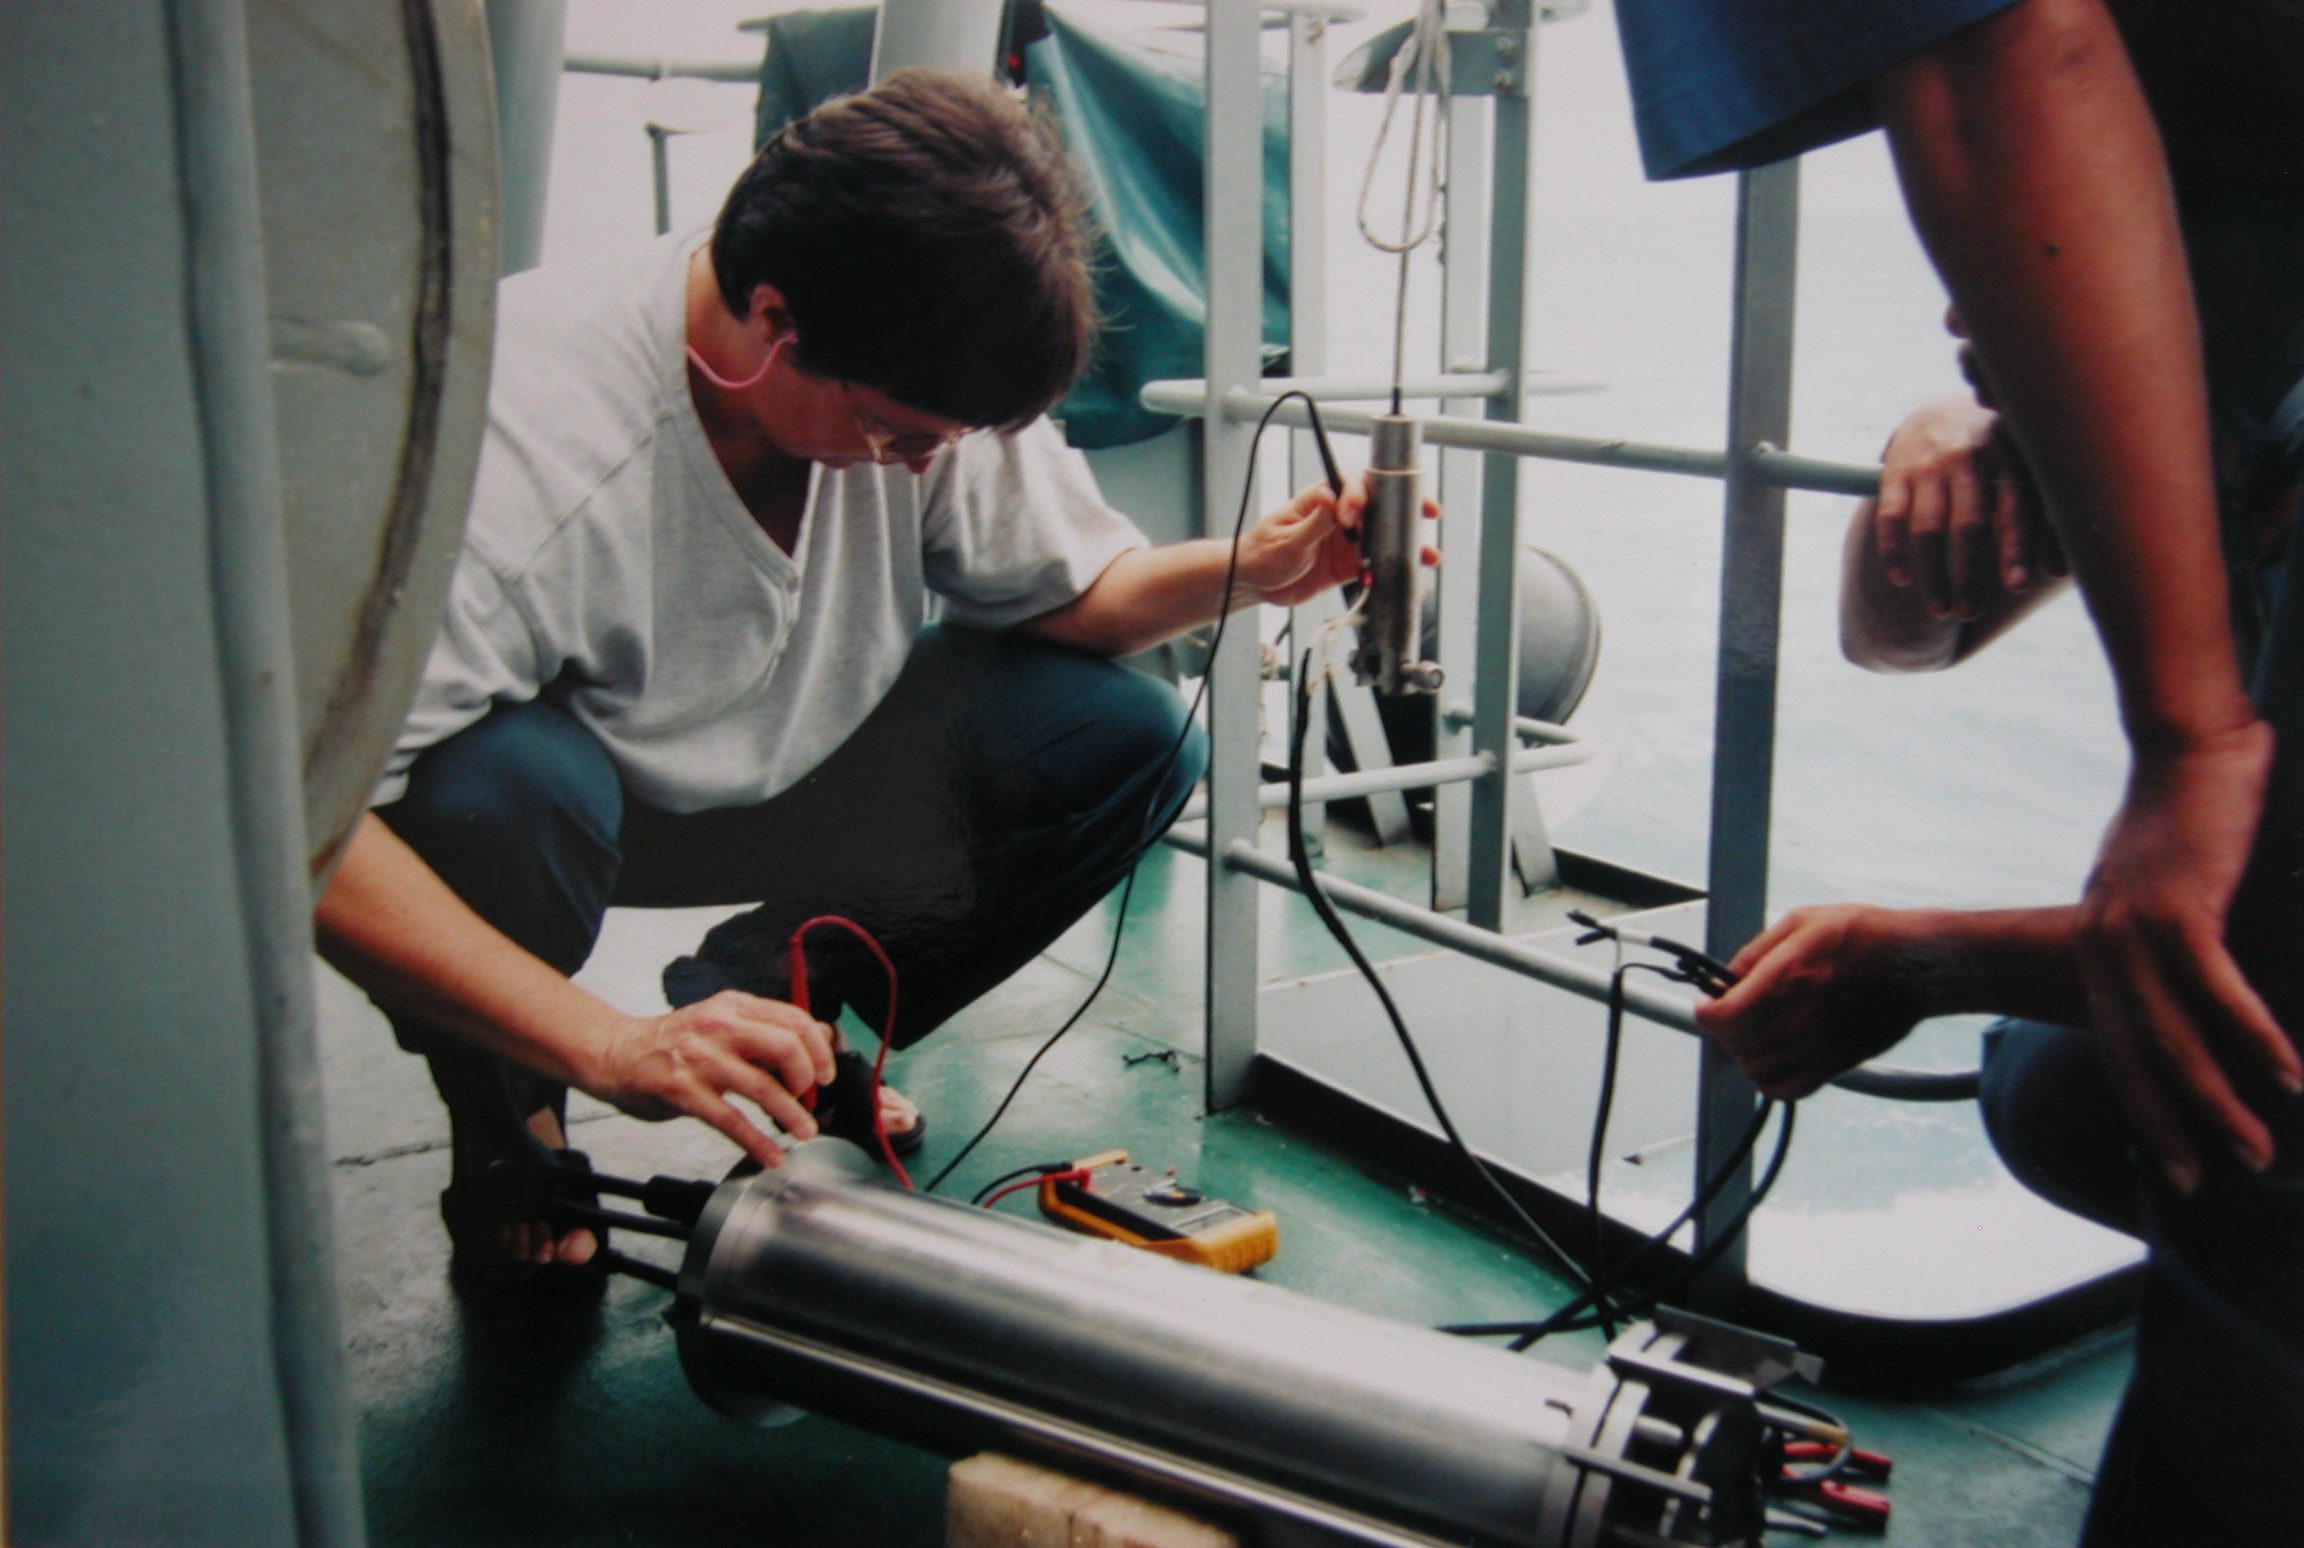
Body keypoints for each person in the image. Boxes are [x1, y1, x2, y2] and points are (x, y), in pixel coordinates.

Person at [314, 71, 1389, 1290]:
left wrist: (1262, 567)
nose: (923, 464)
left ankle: (789, 1029)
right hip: (584, 805)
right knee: (491, 791)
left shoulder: (910, 359)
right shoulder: (517, 441)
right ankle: (512, 1118)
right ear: (772, 318)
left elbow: (1067, 593)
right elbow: (315, 832)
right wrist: (612, 1046)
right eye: (903, 437)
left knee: (1123, 738)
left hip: (798, 759)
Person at [1671, 9, 2304, 1527]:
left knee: (2234, 1151)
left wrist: (1923, 962)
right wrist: (1953, 432)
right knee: (2057, 1087)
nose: (1979, 280)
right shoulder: (2217, 405)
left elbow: (2274, 973)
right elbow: (1895, 640)